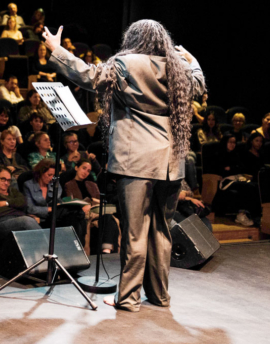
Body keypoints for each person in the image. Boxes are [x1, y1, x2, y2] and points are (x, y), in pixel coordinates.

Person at [44, 19, 205, 312]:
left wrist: (57, 51)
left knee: (134, 232)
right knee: (160, 231)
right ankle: (159, 296)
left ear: (134, 38)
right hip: (170, 163)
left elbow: (89, 77)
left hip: (137, 162)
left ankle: (128, 298)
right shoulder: (177, 67)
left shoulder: (126, 63)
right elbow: (198, 86)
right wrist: (193, 62)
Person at [23, 159, 87, 245]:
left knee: (73, 216)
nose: (51, 178)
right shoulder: (28, 185)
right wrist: (49, 209)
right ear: (40, 172)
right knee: (75, 215)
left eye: (53, 175)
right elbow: (30, 208)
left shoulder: (54, 184)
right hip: (42, 218)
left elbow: (59, 202)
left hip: (56, 216)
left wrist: (59, 205)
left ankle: (77, 246)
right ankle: (79, 246)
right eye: (49, 175)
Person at [64, 160, 120, 254]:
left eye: (88, 170)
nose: (85, 172)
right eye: (84, 168)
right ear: (77, 168)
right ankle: (85, 253)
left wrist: (92, 203)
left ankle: (107, 250)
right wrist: (87, 203)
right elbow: (71, 201)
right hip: (83, 212)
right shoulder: (69, 185)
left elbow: (99, 199)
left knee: (110, 217)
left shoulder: (92, 185)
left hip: (97, 210)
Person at [0, 166, 41, 242]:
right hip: (0, 224)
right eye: (3, 179)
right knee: (26, 221)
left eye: (9, 180)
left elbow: (24, 202)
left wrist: (7, 203)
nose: (6, 183)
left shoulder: (13, 191)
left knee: (28, 222)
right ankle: (45, 247)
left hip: (19, 219)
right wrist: (15, 207)